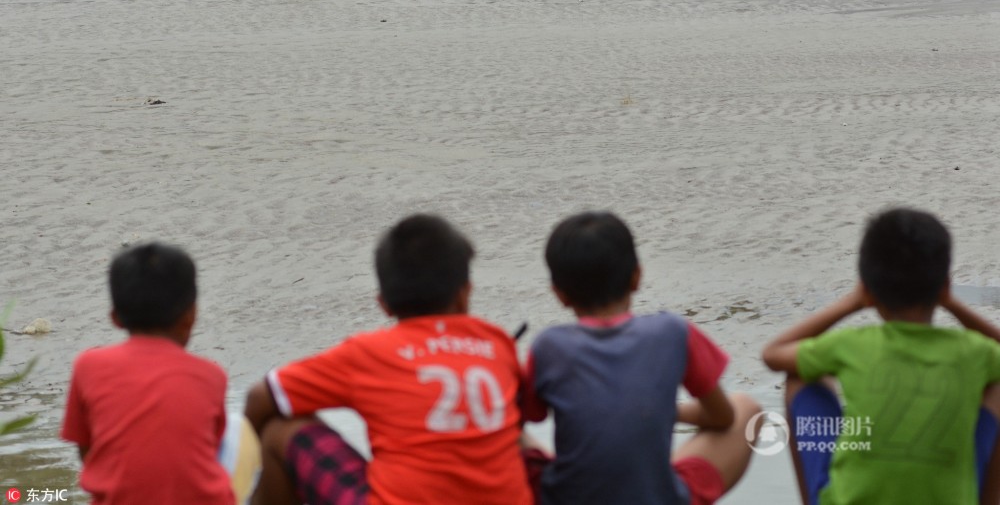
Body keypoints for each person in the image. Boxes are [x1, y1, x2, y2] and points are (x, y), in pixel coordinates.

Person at [244, 214, 533, 505]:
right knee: (520, 440)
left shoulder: (369, 352)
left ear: (383, 303)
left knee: (280, 430)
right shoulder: (495, 341)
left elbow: (261, 397)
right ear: (465, 293)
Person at [762, 207, 1000, 505]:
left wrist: (851, 303)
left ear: (869, 289)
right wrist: (952, 304)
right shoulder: (973, 352)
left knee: (800, 376)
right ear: (944, 285)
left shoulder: (852, 344)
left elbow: (773, 354)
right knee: (996, 387)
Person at [521, 211, 762, 505]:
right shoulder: (673, 332)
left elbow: (516, 421)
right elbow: (722, 417)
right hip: (657, 498)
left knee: (509, 434)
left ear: (559, 294)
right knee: (747, 409)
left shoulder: (549, 346)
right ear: (637, 276)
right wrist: (663, 409)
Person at [61, 242, 239, 504]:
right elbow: (208, 449)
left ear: (115, 318)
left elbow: (88, 453)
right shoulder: (211, 375)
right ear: (191, 315)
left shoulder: (88, 366)